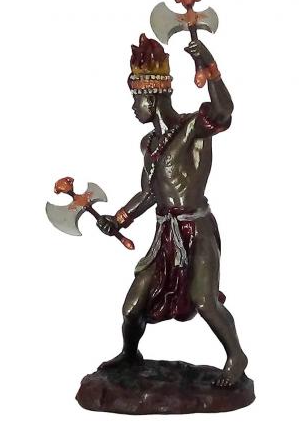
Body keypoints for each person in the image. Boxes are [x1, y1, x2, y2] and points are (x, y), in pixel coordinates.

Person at [97, 33, 248, 387]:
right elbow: (149, 192)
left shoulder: (193, 128)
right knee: (132, 306)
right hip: (166, 234)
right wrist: (118, 219)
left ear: (151, 96)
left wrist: (208, 64)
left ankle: (236, 356)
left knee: (204, 299)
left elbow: (223, 111)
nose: (133, 108)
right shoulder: (149, 144)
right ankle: (130, 353)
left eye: (136, 99)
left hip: (197, 230)